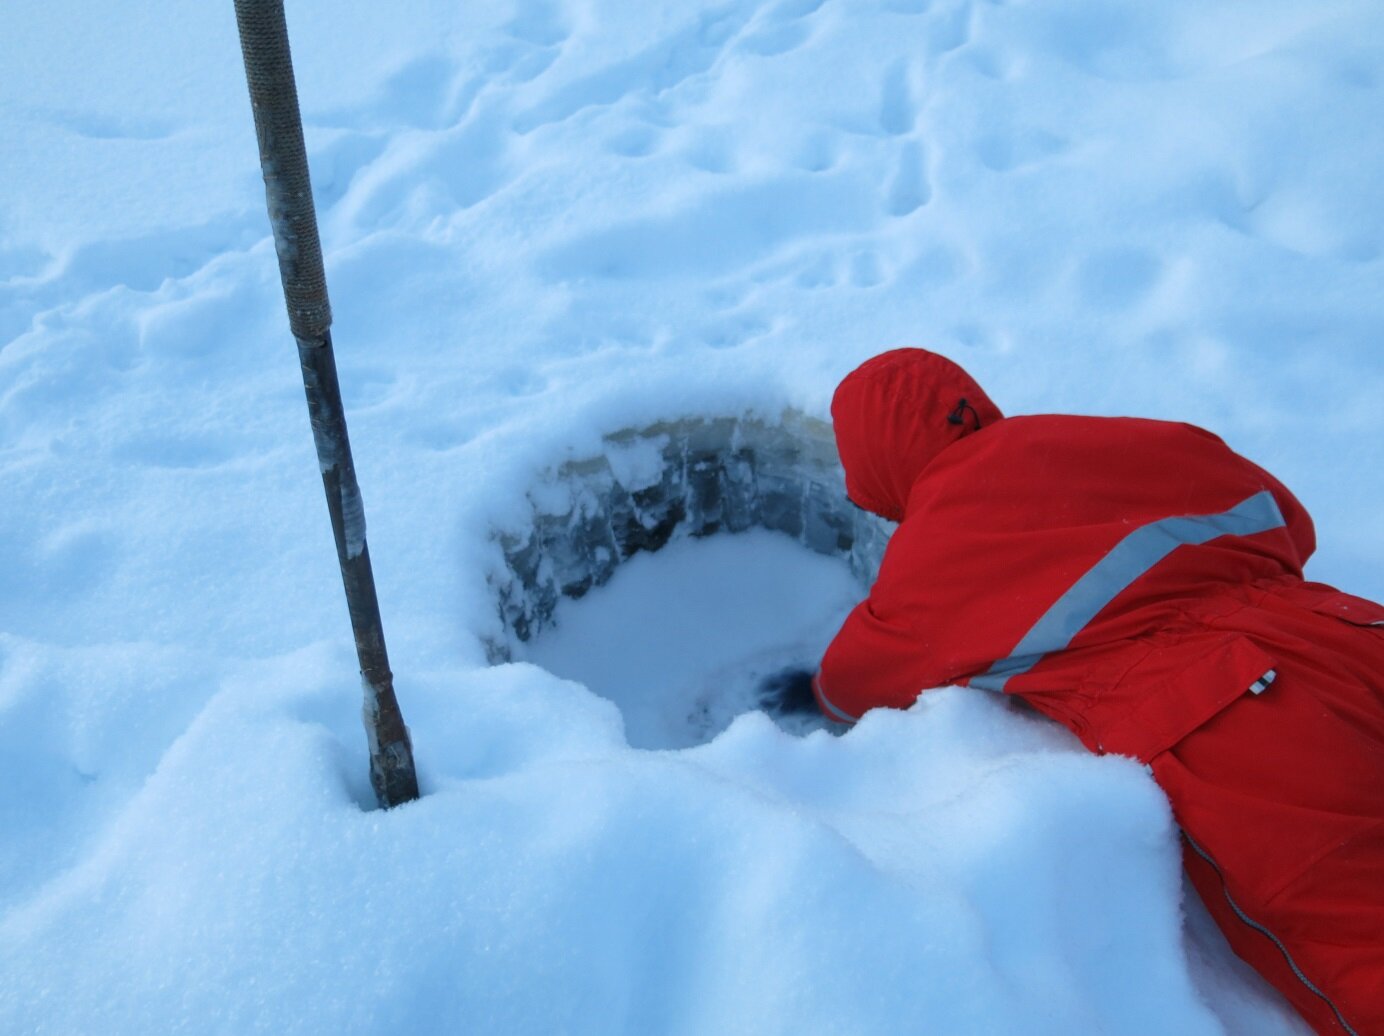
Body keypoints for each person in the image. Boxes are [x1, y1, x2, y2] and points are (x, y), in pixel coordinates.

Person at [801, 348, 1384, 1034]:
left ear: (872, 464)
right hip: (1344, 632)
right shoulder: (1129, 437)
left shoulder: (934, 558)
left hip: (1242, 722)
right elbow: (1287, 518)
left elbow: (848, 688)